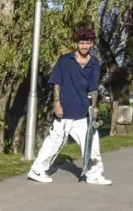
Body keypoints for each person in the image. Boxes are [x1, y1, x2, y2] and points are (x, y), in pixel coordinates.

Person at [27, 27, 113, 185]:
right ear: (77, 44)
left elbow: (93, 87)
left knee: (92, 143)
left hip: (82, 112)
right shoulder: (65, 60)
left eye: (87, 43)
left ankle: (94, 174)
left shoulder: (94, 63)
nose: (84, 46)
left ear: (91, 44)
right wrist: (56, 103)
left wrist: (94, 106)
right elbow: (57, 83)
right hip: (64, 111)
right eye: (82, 43)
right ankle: (37, 170)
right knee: (54, 142)